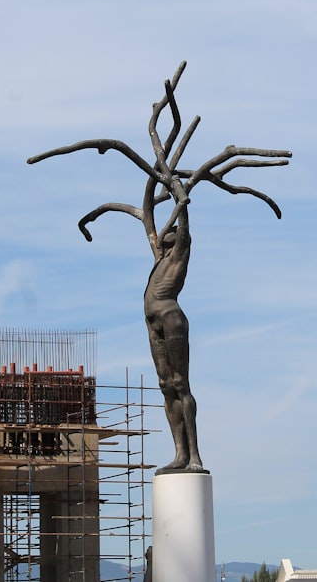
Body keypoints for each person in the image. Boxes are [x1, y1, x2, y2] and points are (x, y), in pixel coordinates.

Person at [143, 201, 203, 473]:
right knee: (166, 385)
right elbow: (149, 221)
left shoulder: (179, 253)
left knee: (180, 384)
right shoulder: (160, 259)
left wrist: (180, 199)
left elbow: (184, 228)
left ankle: (194, 457)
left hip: (170, 317)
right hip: (153, 322)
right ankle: (180, 452)